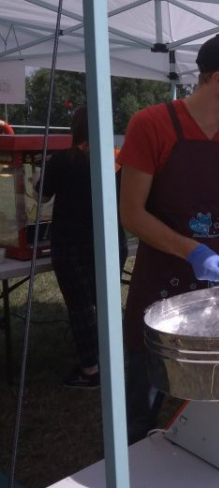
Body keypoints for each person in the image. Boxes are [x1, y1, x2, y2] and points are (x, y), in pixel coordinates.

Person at [118, 33, 219, 443]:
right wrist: (192, 250)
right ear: (218, 80)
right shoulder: (151, 125)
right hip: (160, 284)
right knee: (143, 400)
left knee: (217, 402)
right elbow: (131, 212)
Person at [35, 106, 127, 389]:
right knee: (107, 302)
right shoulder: (115, 161)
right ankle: (118, 359)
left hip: (73, 243)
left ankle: (91, 370)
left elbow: (42, 192)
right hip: (111, 240)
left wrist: (41, 170)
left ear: (76, 128)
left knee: (80, 308)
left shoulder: (63, 160)